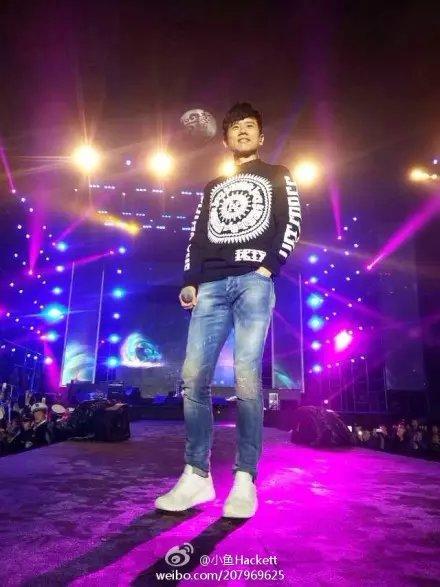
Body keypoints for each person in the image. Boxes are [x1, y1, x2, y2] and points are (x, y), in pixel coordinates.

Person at [155, 102, 301, 518]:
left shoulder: (278, 174)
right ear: (225, 140)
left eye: (250, 126)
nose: (243, 132)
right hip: (211, 285)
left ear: (261, 135)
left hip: (254, 280)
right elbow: (197, 237)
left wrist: (268, 267)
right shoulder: (213, 186)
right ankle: (196, 475)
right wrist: (190, 280)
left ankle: (245, 478)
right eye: (235, 127)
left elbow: (290, 222)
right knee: (193, 377)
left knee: (247, 377)